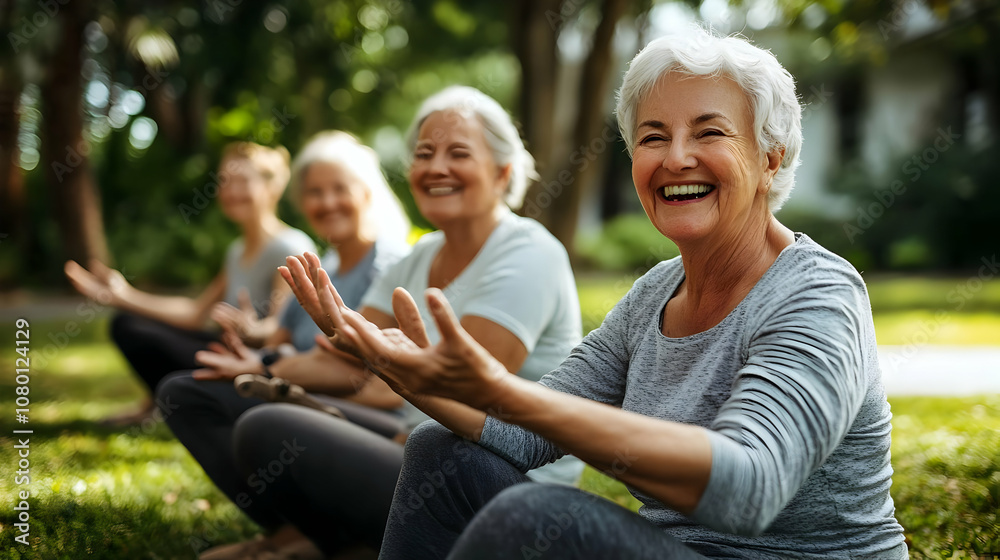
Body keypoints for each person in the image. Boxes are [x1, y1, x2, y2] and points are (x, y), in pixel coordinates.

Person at [321, 29, 908, 559]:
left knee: (537, 516)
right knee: (440, 454)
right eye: (654, 138)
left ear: (769, 160)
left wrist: (503, 391)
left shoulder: (817, 294)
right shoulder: (654, 294)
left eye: (709, 132)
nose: (676, 158)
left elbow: (748, 488)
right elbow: (523, 433)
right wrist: (403, 370)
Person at [198, 85, 585, 560]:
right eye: (424, 153)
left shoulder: (530, 252)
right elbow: (349, 351)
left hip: (492, 475)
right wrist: (276, 362)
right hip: (421, 438)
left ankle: (326, 543)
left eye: (457, 153)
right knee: (231, 404)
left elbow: (472, 389)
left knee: (272, 428)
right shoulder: (421, 254)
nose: (435, 167)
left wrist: (341, 351)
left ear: (503, 172)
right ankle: (321, 542)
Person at [156, 131, 411, 559]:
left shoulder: (388, 264)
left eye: (339, 190)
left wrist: (270, 365)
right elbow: (279, 339)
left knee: (255, 416)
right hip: (307, 387)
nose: (327, 203)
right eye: (315, 192)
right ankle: (296, 529)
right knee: (184, 392)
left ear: (367, 192)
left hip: (370, 412)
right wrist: (255, 349)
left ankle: (321, 537)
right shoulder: (321, 265)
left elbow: (363, 377)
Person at [64, 142, 315, 425]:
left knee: (133, 328)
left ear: (273, 188)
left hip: (255, 364)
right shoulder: (236, 250)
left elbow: (282, 328)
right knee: (129, 325)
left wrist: (252, 329)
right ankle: (159, 403)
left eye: (243, 181)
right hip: (225, 347)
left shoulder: (289, 246)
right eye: (225, 181)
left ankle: (185, 405)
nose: (231, 191)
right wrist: (122, 296)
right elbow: (196, 313)